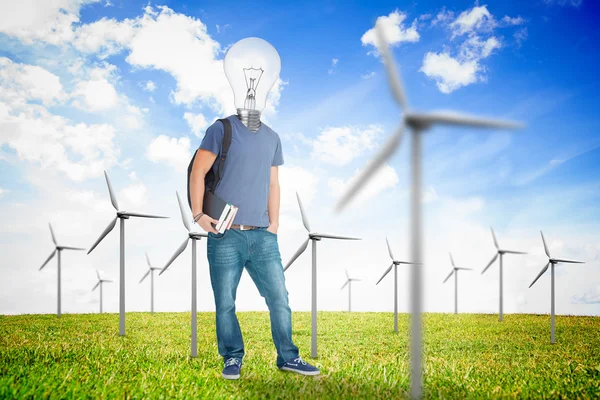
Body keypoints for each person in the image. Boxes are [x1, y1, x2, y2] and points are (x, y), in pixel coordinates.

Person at [189, 113, 320, 380]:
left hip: (263, 236)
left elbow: (273, 183)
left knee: (279, 299)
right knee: (225, 302)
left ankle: (288, 357)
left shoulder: (273, 138)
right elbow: (198, 171)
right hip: (225, 233)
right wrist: (198, 215)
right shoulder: (221, 129)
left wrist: (274, 225)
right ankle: (232, 357)